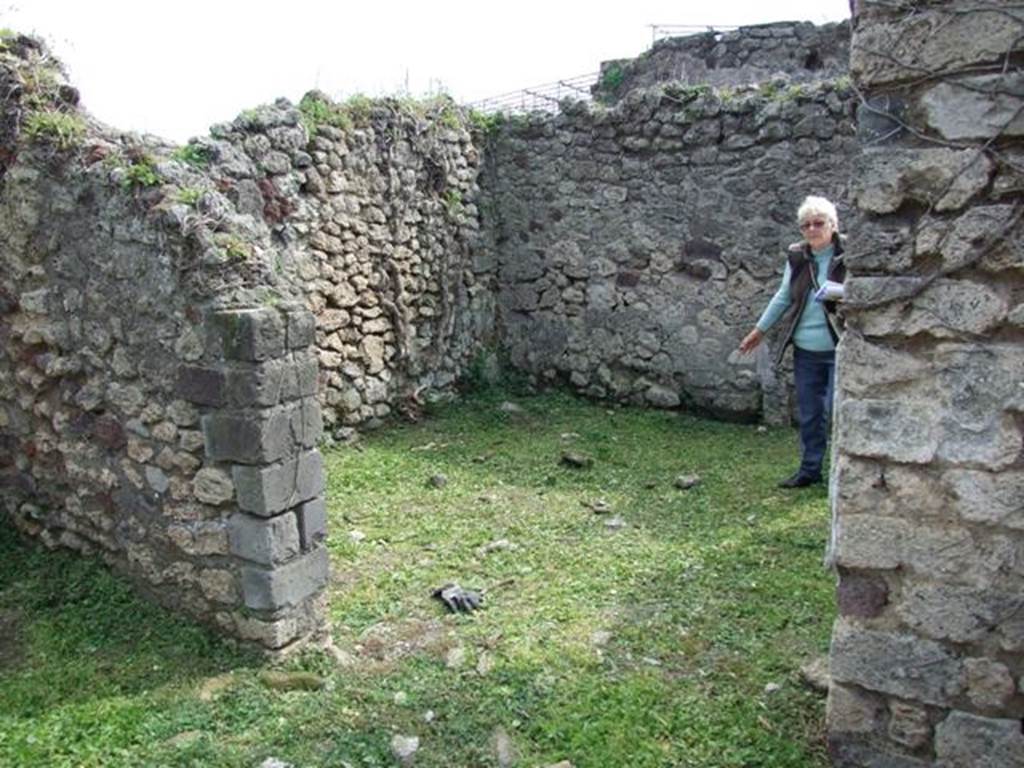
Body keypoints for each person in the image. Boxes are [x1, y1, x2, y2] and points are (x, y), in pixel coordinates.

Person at [738, 195, 846, 488]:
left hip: (840, 347)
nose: (812, 229)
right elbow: (784, 296)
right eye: (805, 225)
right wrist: (759, 331)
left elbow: (864, 291)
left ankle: (844, 474)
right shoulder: (798, 256)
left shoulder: (848, 253)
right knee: (811, 413)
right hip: (806, 349)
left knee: (842, 412)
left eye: (818, 223)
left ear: (833, 225)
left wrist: (843, 293)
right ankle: (810, 469)